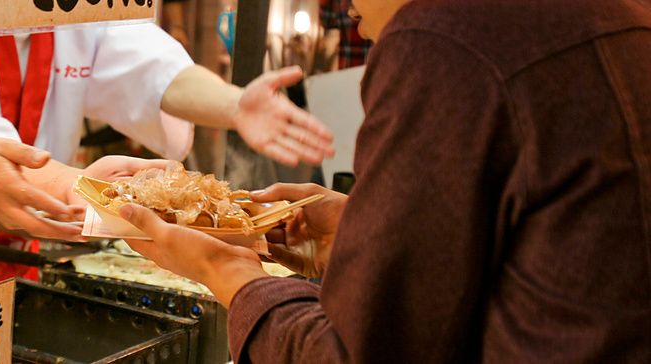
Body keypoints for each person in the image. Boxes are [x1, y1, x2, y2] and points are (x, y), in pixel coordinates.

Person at [118, 0, 651, 362]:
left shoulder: (444, 39)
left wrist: (228, 271)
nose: (343, 8)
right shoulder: (620, 12)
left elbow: (357, 355)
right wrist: (366, 230)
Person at [0, 23, 335, 309]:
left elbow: (148, 67)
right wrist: (78, 186)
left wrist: (234, 104)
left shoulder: (68, 14)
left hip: (18, 263)